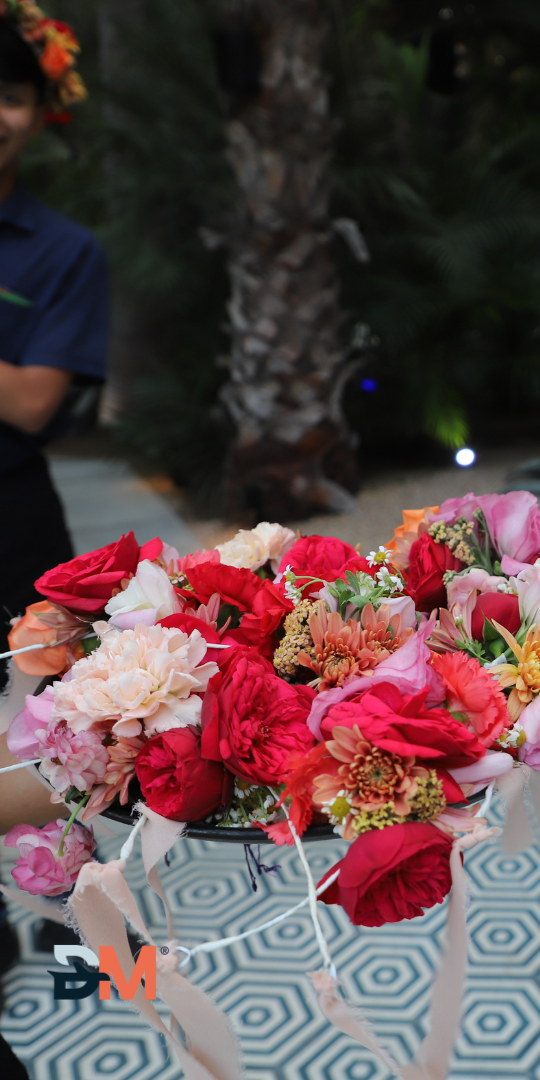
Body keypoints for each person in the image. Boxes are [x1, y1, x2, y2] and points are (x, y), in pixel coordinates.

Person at [0, 10, 98, 1078]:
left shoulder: (67, 252)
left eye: (12, 90)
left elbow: (32, 402)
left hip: (18, 526)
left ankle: (109, 971)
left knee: (74, 758)